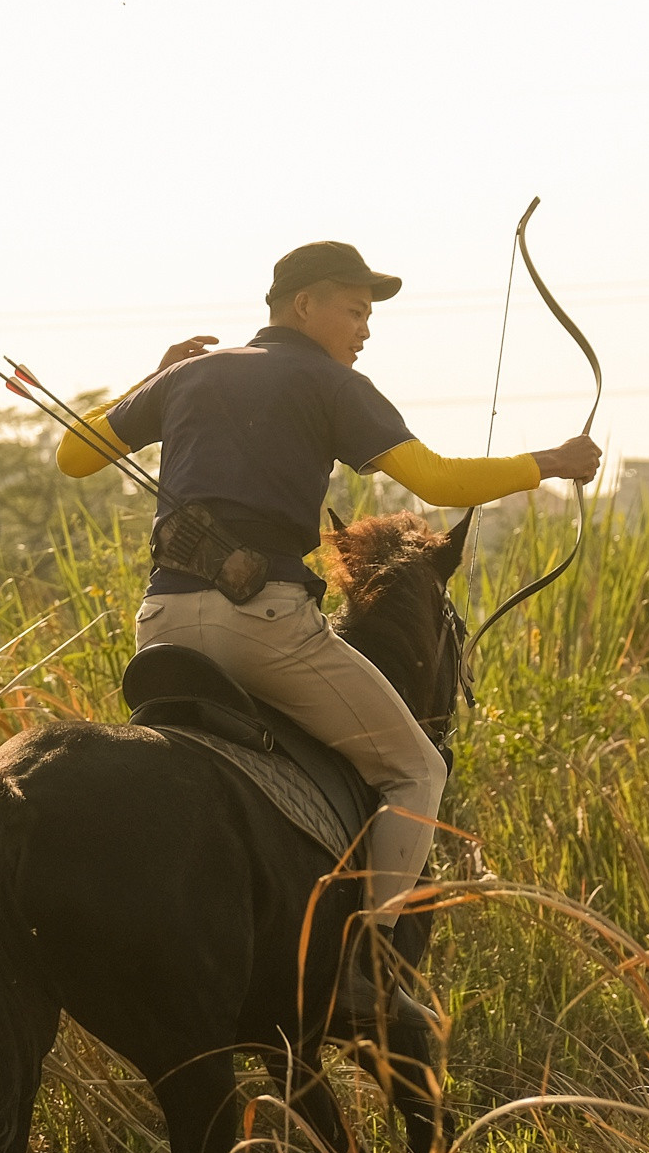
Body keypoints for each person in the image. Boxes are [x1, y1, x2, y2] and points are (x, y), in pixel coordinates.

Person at [57, 240, 601, 1022]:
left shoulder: (188, 373)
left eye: (368, 315)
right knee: (417, 770)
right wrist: (549, 459)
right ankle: (366, 965)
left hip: (162, 628)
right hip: (264, 628)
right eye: (355, 310)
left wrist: (154, 373)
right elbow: (439, 481)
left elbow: (75, 454)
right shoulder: (329, 383)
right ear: (303, 305)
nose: (365, 330)